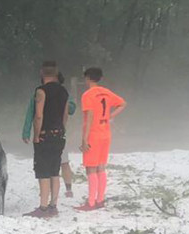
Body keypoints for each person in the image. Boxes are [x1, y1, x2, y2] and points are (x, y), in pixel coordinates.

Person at [24, 62, 73, 219]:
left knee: (43, 172)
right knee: (54, 171)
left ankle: (43, 208)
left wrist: (37, 135)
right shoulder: (64, 92)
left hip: (45, 135)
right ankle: (53, 206)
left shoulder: (41, 91)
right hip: (59, 134)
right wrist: (61, 129)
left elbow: (39, 115)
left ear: (42, 74)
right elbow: (65, 114)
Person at [76, 67, 127, 211]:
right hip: (106, 132)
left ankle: (91, 202)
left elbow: (90, 116)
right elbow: (123, 103)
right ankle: (100, 199)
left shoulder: (87, 95)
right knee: (101, 167)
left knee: (90, 168)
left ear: (87, 78)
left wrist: (84, 139)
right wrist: (110, 116)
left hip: (93, 133)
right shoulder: (106, 92)